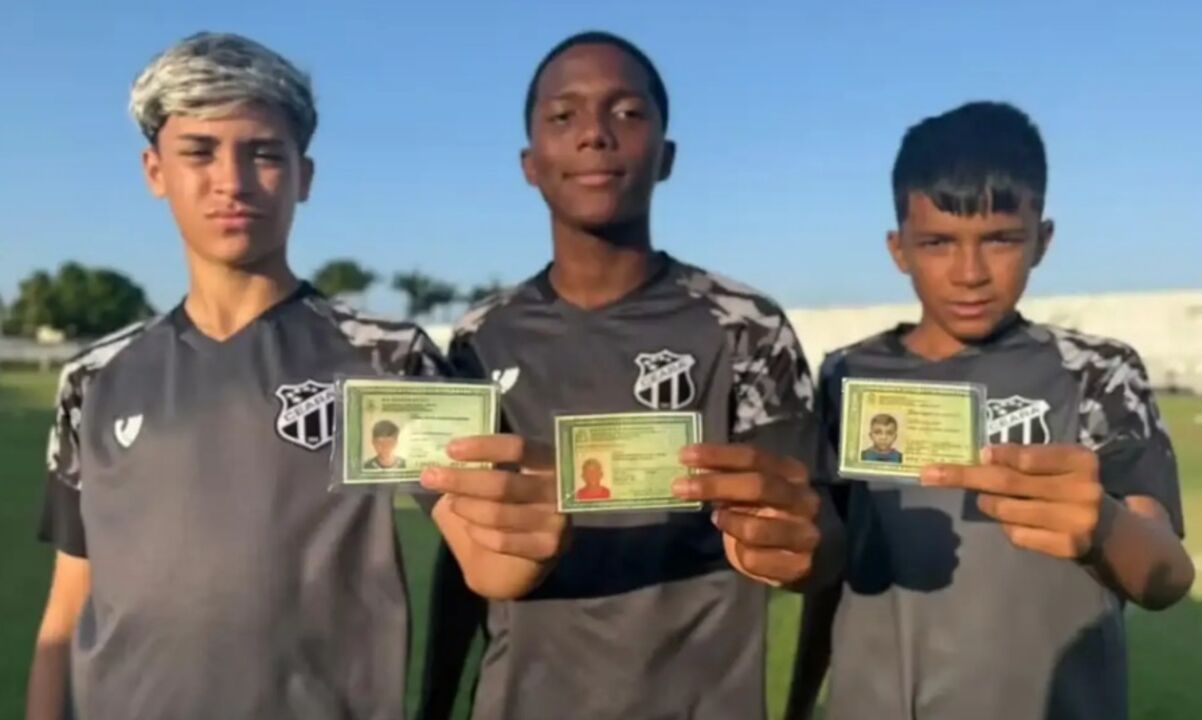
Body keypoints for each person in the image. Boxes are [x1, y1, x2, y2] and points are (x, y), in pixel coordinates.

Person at [25, 32, 565, 720]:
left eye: (263, 153)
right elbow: (66, 610)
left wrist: (536, 534)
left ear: (304, 176)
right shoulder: (93, 380)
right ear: (154, 170)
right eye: (199, 152)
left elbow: (489, 563)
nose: (232, 181)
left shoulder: (386, 359)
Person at [420, 31, 838, 720]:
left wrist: (808, 547)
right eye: (564, 116)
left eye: (626, 113)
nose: (594, 135)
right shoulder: (479, 341)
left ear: (666, 157)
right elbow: (465, 556)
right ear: (529, 163)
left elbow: (812, 534)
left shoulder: (746, 327)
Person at [788, 101, 1194, 720]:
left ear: (1042, 241)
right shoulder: (848, 375)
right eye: (938, 243)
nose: (970, 272)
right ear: (899, 249)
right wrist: (796, 703)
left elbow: (1166, 576)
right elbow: (829, 569)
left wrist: (1104, 529)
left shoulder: (1096, 371)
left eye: (1000, 239)